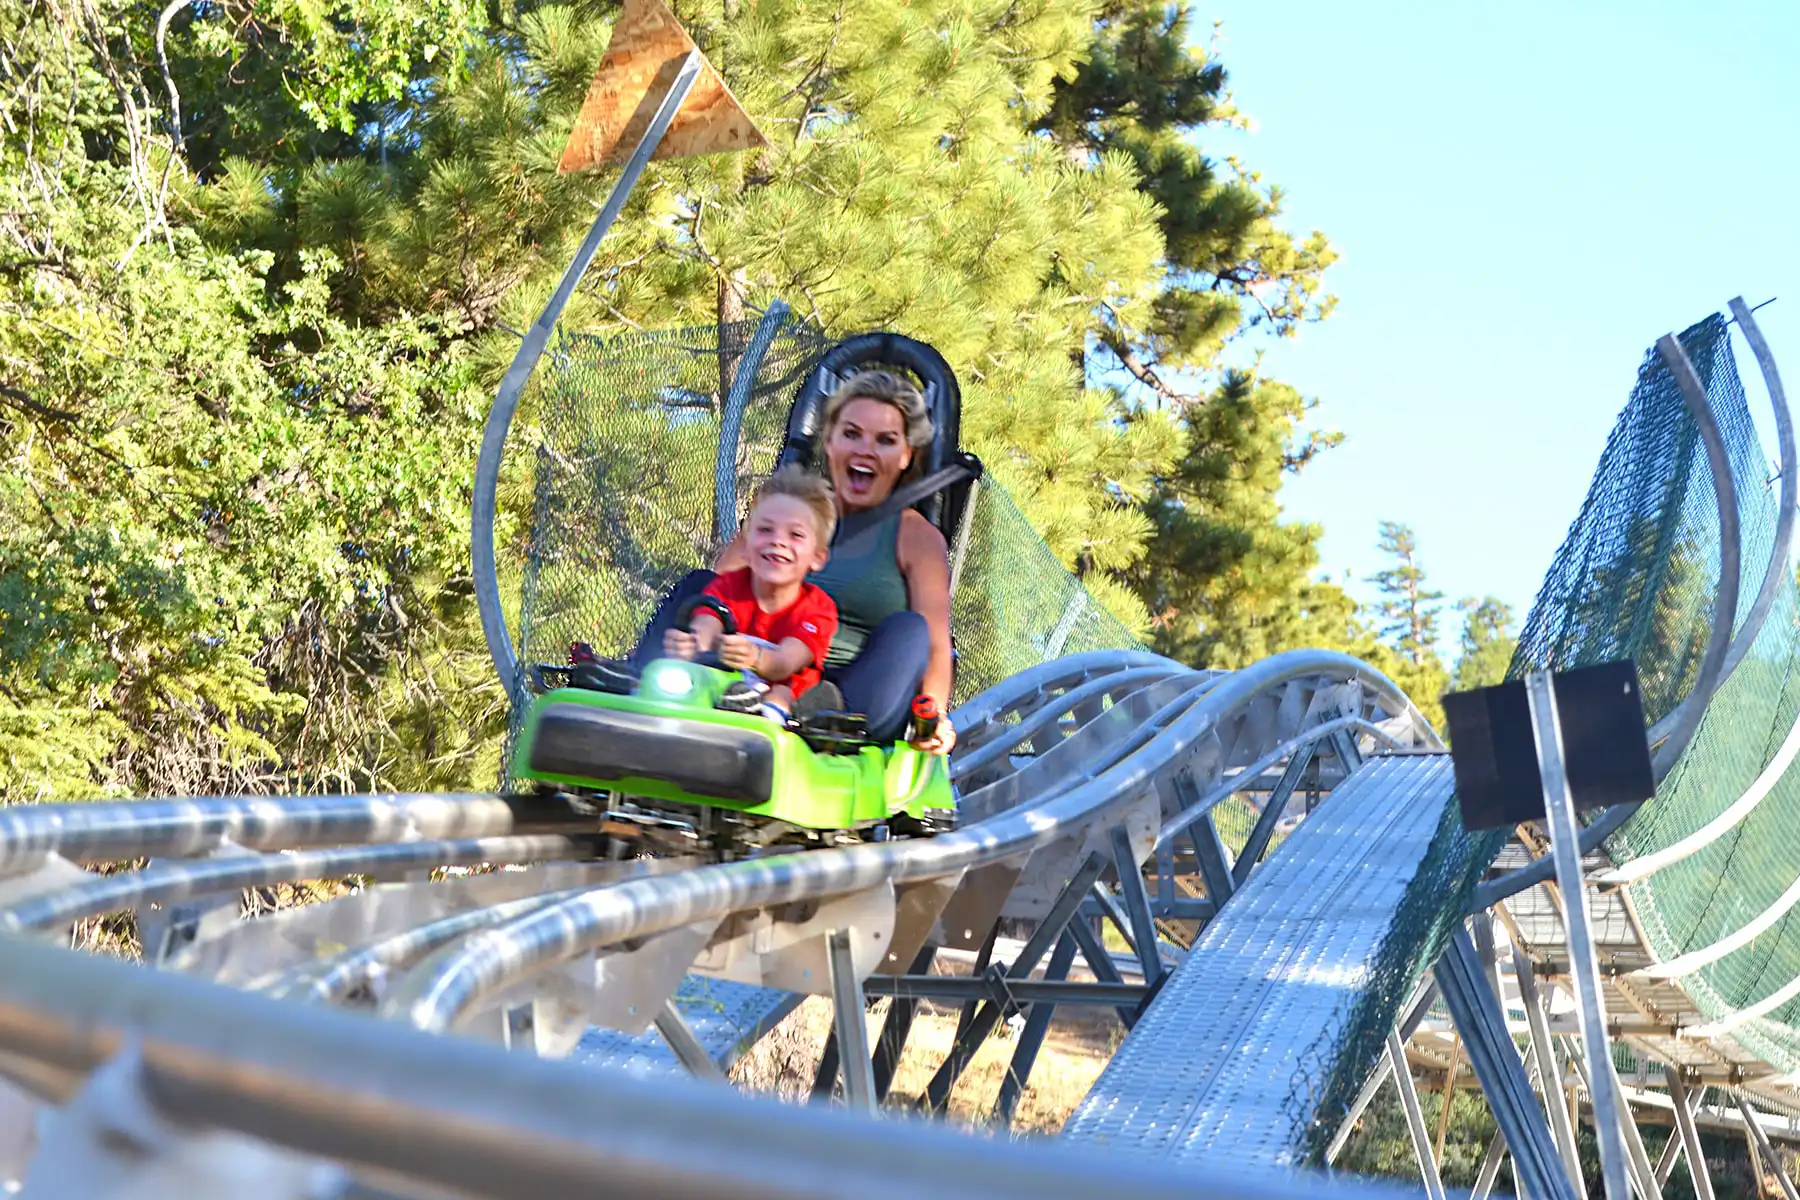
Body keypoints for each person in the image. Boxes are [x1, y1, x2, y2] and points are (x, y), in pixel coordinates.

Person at [637, 368, 958, 755]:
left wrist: (935, 714)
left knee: (911, 631)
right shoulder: (783, 517)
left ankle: (813, 725)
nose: (865, 450)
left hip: (841, 697)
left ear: (906, 456)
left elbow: (937, 646)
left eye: (885, 441)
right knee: (697, 585)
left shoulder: (917, 538)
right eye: (852, 434)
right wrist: (706, 637)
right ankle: (639, 685)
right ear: (829, 442)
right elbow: (720, 589)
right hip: (752, 665)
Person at [661, 468, 840, 725]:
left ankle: (767, 719)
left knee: (783, 694)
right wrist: (691, 643)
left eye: (795, 535)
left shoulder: (818, 609)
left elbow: (784, 662)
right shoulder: (728, 587)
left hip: (783, 687)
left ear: (817, 557)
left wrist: (755, 657)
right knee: (682, 674)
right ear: (745, 546)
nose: (778, 541)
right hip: (727, 679)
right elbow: (706, 624)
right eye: (766, 530)